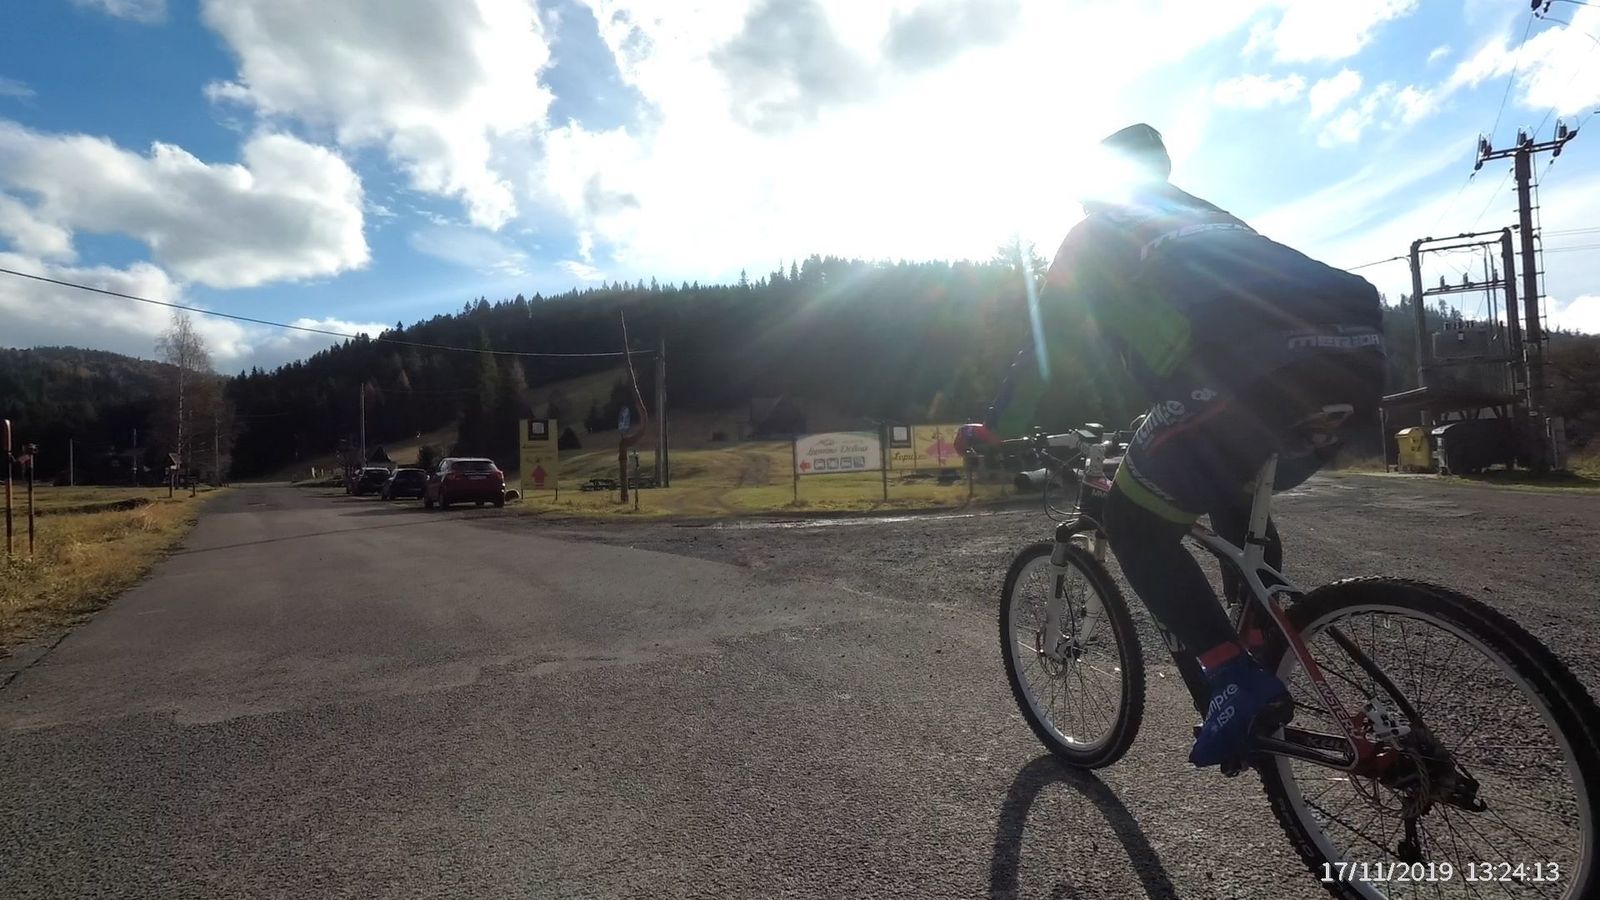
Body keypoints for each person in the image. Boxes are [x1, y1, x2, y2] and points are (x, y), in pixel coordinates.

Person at [973, 124, 1386, 769]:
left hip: (1246, 370)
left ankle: (1233, 678)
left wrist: (997, 425)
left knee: (1132, 522)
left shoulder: (1094, 232)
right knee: (1227, 480)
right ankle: (1260, 641)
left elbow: (1048, 339)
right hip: (1357, 358)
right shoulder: (1209, 216)